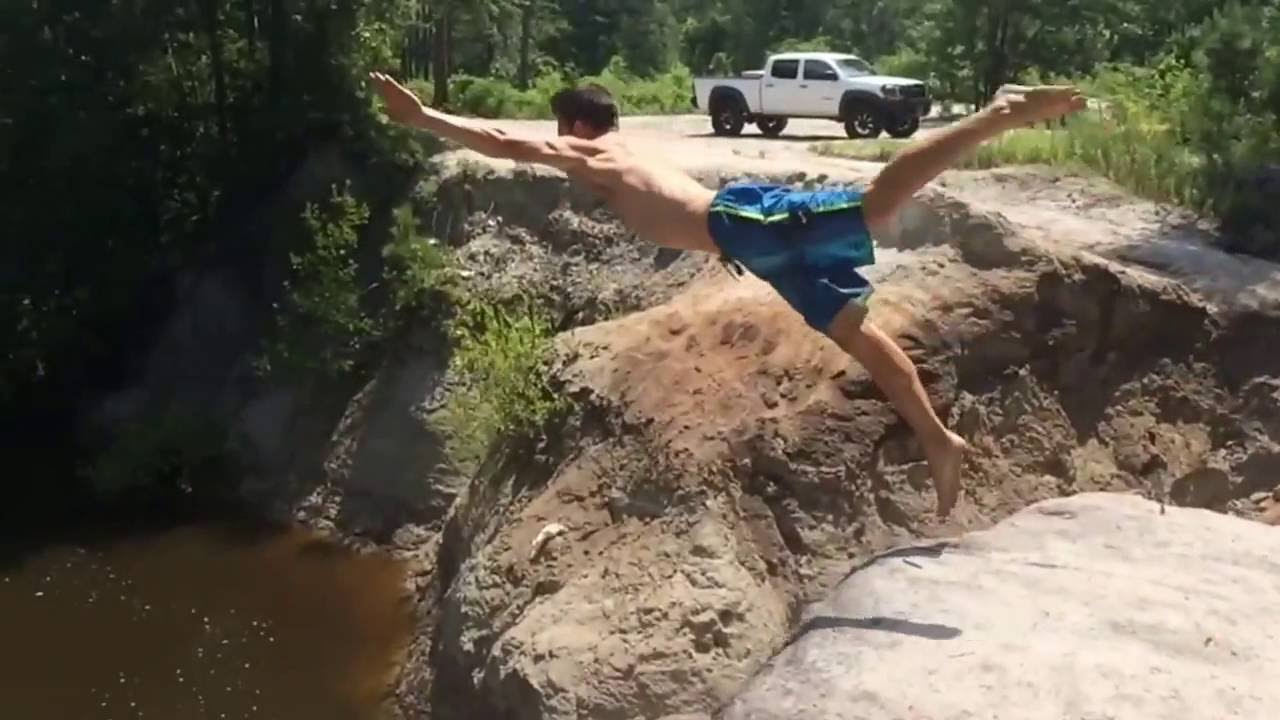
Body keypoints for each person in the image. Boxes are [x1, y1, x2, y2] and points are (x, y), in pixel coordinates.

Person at [367, 71, 1087, 518]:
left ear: (577, 128)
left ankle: (1001, 114)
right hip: (747, 243)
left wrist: (423, 117)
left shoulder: (592, 152)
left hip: (740, 223)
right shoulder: (626, 148)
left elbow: (501, 139)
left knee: (875, 201)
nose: (557, 145)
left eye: (561, 132)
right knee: (859, 334)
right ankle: (940, 440)